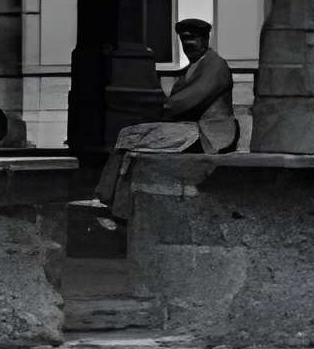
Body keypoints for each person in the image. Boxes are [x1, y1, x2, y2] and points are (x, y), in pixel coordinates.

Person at [79, 18, 237, 231]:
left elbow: (183, 102)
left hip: (208, 133)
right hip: (189, 128)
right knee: (130, 143)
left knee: (132, 136)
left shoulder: (215, 66)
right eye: (184, 40)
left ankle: (108, 202)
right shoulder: (191, 68)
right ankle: (114, 205)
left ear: (204, 39)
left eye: (192, 39)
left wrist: (157, 112)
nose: (188, 44)